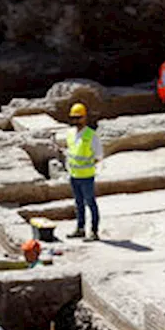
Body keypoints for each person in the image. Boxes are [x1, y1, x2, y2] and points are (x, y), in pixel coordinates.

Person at [65, 103, 102, 241]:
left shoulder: (91, 135)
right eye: (73, 118)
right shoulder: (70, 134)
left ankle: (94, 231)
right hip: (74, 175)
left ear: (85, 118)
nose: (76, 121)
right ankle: (80, 229)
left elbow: (98, 156)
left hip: (86, 176)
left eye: (79, 118)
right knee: (78, 203)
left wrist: (86, 166)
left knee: (90, 203)